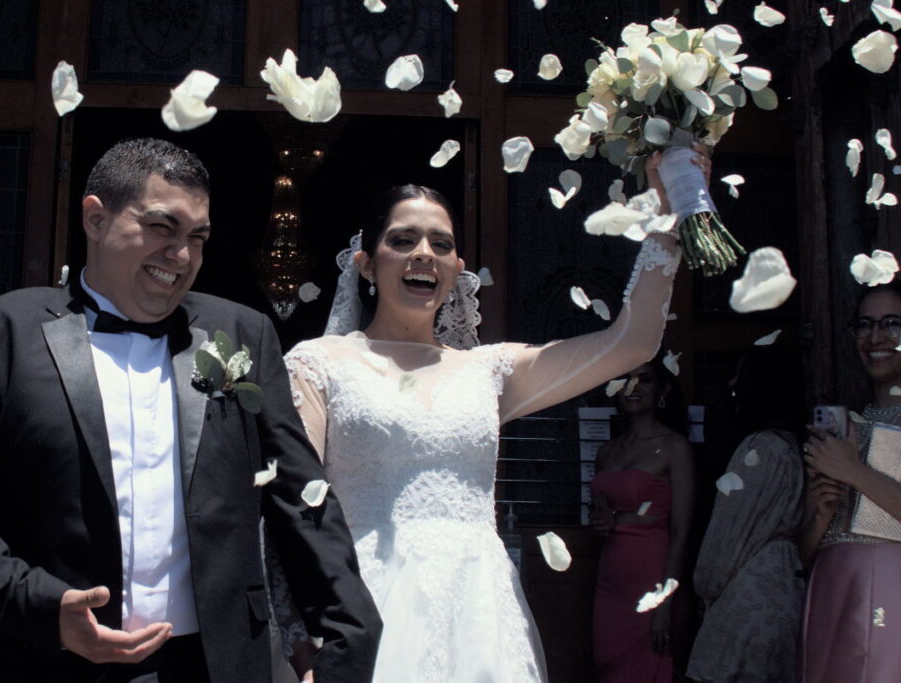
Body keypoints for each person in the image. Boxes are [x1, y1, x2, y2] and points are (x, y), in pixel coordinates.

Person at [0, 138, 381, 682]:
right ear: (95, 217)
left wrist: (351, 631)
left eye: (197, 238)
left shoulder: (241, 332)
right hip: (49, 659)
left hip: (217, 662)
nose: (181, 256)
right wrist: (40, 605)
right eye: (162, 228)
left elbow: (300, 495)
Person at [279, 148, 702, 682]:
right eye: (402, 240)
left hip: (479, 620)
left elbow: (633, 342)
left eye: (442, 244)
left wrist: (667, 208)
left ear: (458, 270)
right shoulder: (319, 364)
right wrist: (303, 646)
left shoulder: (490, 371)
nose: (424, 254)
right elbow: (291, 510)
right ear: (366, 262)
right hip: (364, 608)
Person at [686, 342, 807, 682]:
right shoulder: (794, 447)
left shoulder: (760, 448)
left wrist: (704, 586)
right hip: (785, 591)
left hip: (748, 596)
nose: (731, 385)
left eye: (739, 375)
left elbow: (730, 531)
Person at [799, 281, 901, 682]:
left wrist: (854, 471)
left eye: (892, 323)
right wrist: (822, 514)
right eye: (865, 324)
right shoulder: (845, 427)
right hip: (830, 586)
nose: (875, 337)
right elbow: (803, 555)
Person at [590, 355, 693, 683]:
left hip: (652, 576)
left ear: (662, 390)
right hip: (609, 579)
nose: (633, 387)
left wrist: (664, 602)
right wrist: (601, 519)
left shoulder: (676, 448)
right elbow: (601, 511)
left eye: (644, 379)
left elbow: (682, 530)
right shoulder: (606, 452)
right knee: (609, 665)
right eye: (625, 379)